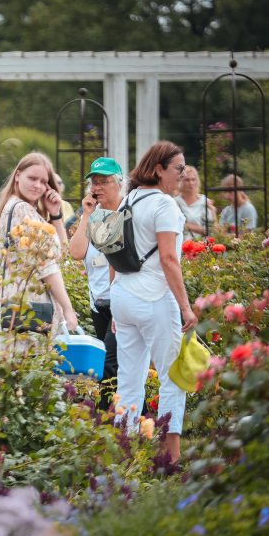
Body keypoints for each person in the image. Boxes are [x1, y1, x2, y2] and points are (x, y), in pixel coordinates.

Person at [111, 141, 198, 464]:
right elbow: (168, 258)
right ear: (159, 169)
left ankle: (125, 456)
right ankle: (170, 459)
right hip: (154, 298)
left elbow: (114, 255)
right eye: (178, 169)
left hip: (123, 296)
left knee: (129, 379)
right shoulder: (165, 207)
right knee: (172, 376)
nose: (183, 175)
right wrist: (186, 307)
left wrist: (114, 300)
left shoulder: (127, 201)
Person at [0, 152, 79, 344]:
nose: (37, 186)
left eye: (43, 181)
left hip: (24, 305)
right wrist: (67, 308)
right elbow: (46, 265)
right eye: (32, 178)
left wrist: (55, 214)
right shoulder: (22, 210)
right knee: (28, 366)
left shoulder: (21, 209)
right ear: (17, 175)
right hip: (31, 307)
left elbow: (63, 254)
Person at [69, 157, 124, 409]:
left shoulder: (127, 211)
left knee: (110, 362)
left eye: (104, 182)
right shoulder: (93, 217)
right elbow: (76, 252)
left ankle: (105, 416)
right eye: (94, 182)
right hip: (98, 302)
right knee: (112, 361)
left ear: (119, 183)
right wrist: (86, 214)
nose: (98, 187)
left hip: (122, 300)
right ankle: (139, 414)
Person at [173, 166, 216, 240]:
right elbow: (172, 226)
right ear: (180, 181)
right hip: (181, 245)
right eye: (187, 180)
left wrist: (188, 226)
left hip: (202, 246)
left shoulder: (204, 201)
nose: (191, 183)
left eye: (193, 179)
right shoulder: (175, 202)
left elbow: (212, 230)